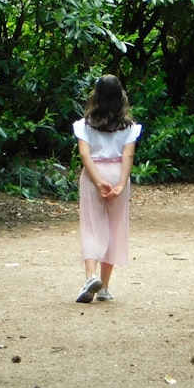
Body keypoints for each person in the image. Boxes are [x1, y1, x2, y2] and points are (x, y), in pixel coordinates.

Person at [72, 74, 142, 303]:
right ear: (121, 98)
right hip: (117, 172)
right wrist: (121, 183)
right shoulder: (130, 127)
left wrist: (97, 179)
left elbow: (84, 154)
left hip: (94, 174)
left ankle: (90, 276)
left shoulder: (84, 125)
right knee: (114, 228)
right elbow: (128, 155)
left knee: (92, 227)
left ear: (96, 97)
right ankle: (105, 288)